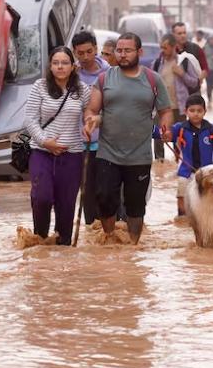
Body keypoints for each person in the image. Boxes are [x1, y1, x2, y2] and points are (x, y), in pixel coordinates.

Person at [83, 32, 174, 244]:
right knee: (105, 200)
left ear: (139, 52)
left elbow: (166, 110)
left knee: (135, 207)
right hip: (108, 153)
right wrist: (90, 120)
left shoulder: (153, 79)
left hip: (139, 155)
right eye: (119, 50)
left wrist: (166, 126)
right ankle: (110, 239)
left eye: (127, 50)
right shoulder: (104, 78)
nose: (122, 55)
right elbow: (92, 108)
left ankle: (133, 246)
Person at [25, 46, 91, 246]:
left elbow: (89, 113)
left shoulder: (82, 90)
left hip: (72, 156)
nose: (60, 67)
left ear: (73, 66)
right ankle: (40, 241)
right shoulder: (40, 86)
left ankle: (63, 253)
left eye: (64, 63)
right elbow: (30, 120)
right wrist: (46, 141)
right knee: (42, 197)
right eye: (56, 63)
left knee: (66, 206)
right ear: (50, 66)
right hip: (42, 152)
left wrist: (88, 124)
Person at [71, 31, 110, 225]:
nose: (85, 57)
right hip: (79, 144)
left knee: (106, 192)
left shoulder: (109, 74)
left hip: (106, 144)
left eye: (89, 51)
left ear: (96, 49)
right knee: (86, 192)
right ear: (75, 53)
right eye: (80, 53)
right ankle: (91, 231)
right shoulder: (71, 75)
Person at [169, 94, 213, 216]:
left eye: (199, 111)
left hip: (206, 173)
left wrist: (211, 165)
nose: (196, 114)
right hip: (186, 171)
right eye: (192, 110)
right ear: (186, 112)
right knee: (181, 194)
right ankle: (182, 217)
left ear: (205, 111)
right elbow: (167, 134)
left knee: (208, 198)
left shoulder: (211, 129)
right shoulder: (180, 128)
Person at [152, 33, 199, 160]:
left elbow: (195, 82)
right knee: (158, 139)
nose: (162, 50)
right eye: (161, 47)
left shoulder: (184, 62)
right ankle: (160, 167)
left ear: (174, 47)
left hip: (179, 108)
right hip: (161, 108)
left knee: (180, 140)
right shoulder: (157, 63)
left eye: (165, 47)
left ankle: (178, 165)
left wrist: (182, 73)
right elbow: (151, 85)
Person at [172, 22, 208, 89]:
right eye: (179, 33)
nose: (183, 35)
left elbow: (205, 69)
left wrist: (197, 81)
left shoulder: (196, 49)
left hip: (193, 91)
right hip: (176, 92)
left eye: (184, 33)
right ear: (173, 35)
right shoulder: (170, 51)